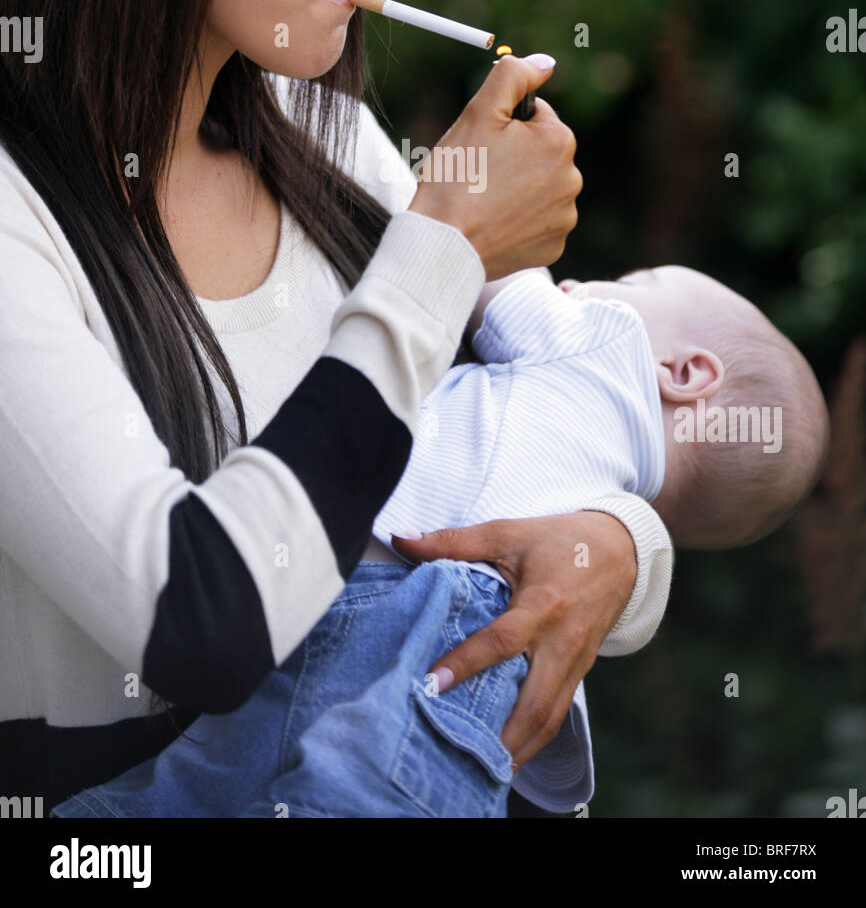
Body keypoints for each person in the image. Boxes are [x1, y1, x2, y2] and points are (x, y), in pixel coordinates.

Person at [0, 0, 671, 815]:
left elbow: (518, 449)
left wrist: (617, 552)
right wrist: (443, 253)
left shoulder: (323, 144)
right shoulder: (16, 217)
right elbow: (197, 622)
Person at [50, 260, 828, 819]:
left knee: (232, 790)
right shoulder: (600, 491)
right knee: (330, 782)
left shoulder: (603, 350)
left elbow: (482, 267)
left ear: (685, 373)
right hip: (431, 630)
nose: (579, 287)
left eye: (623, 288)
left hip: (430, 608)